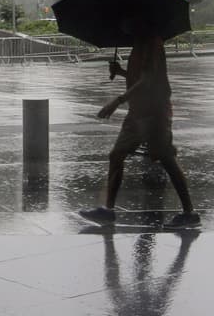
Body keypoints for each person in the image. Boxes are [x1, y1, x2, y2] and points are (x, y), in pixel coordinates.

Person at [78, 24, 199, 228]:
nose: (124, 24)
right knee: (116, 155)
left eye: (128, 19)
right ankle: (108, 211)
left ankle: (190, 213)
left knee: (167, 159)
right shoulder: (139, 42)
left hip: (155, 113)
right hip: (137, 113)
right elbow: (140, 77)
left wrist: (118, 101)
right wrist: (122, 72)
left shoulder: (152, 42)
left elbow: (148, 79)